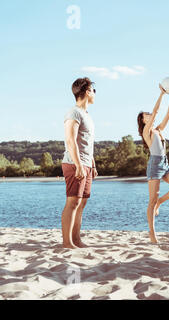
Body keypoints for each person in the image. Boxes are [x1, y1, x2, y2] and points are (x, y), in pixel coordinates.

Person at [137, 84, 169, 244]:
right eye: (146, 115)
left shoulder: (159, 130)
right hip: (154, 165)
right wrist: (161, 94)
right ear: (143, 121)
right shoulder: (147, 132)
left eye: (149, 113)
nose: (149, 114)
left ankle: (160, 202)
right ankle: (152, 234)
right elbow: (157, 111)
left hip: (165, 164)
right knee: (151, 200)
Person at [61, 77, 97, 249]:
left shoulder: (87, 115)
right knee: (73, 202)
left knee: (81, 203)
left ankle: (76, 239)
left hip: (86, 164)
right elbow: (70, 140)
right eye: (93, 90)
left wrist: (92, 165)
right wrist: (79, 165)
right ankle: (67, 242)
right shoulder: (74, 113)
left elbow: (87, 143)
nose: (95, 94)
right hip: (75, 164)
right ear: (87, 92)